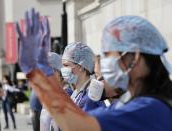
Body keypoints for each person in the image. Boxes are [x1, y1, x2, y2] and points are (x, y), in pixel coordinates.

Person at [17, 9, 172, 131]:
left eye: (108, 55)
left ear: (134, 58)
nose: (102, 64)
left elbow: (76, 125)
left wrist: (40, 78)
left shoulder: (149, 109)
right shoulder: (127, 104)